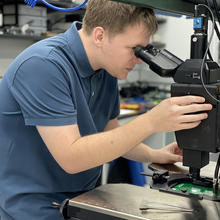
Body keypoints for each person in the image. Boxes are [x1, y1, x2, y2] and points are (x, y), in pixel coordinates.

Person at [0, 0, 212, 219]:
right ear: (100, 36)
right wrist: (151, 121)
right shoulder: (43, 65)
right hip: (34, 210)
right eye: (134, 49)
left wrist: (155, 154)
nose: (139, 61)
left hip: (83, 199)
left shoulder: (105, 69)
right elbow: (71, 158)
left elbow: (109, 134)